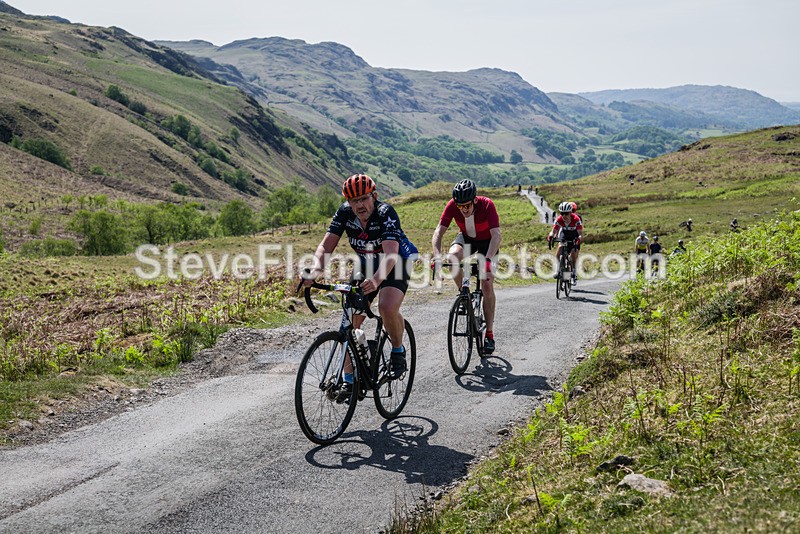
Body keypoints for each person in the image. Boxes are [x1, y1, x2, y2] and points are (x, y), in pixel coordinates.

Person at [302, 174, 418, 395]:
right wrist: (315, 270)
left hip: (396, 260)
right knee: (349, 322)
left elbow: (391, 255)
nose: (360, 205)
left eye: (364, 198)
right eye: (354, 201)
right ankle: (348, 381)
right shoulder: (345, 213)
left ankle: (397, 349)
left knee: (386, 307)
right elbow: (326, 246)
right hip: (367, 262)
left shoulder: (386, 213)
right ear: (348, 202)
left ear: (373, 196)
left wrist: (376, 281)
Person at [432, 179, 501, 354]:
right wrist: (437, 257)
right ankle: (465, 297)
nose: (464, 209)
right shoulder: (452, 206)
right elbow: (438, 232)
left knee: (486, 284)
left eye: (467, 205)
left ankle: (490, 334)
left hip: (487, 243)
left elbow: (496, 235)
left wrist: (488, 259)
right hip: (468, 239)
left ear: (475, 200)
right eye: (460, 206)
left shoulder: (487, 205)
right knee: (452, 257)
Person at [547, 201, 583, 286]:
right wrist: (551, 236)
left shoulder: (576, 219)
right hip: (564, 235)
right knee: (559, 253)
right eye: (562, 213)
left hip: (574, 236)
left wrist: (578, 239)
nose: (564, 216)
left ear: (570, 212)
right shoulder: (559, 219)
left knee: (573, 256)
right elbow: (554, 231)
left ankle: (573, 274)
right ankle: (558, 271)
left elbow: (580, 234)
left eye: (566, 213)